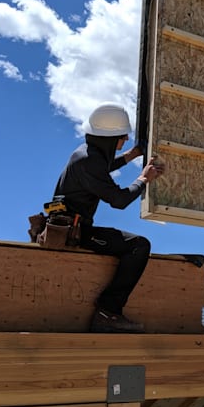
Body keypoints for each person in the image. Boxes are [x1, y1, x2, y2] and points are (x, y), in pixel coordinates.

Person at [53, 103, 163, 333]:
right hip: (75, 234)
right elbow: (119, 201)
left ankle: (108, 312)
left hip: (70, 227)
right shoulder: (89, 161)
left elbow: (103, 167)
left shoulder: (85, 152)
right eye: (123, 139)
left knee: (132, 243)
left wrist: (130, 155)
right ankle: (108, 312)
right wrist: (144, 179)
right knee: (138, 246)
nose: (124, 142)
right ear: (112, 138)